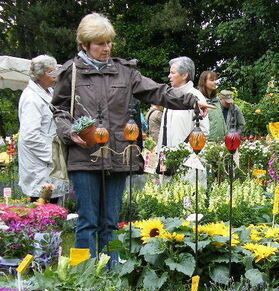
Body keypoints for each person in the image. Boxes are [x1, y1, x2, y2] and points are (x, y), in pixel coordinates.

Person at [52, 13, 213, 261]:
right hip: (84, 155)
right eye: (99, 44)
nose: (106, 48)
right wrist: (69, 132)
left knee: (111, 222)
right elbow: (60, 110)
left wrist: (193, 101)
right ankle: (83, 274)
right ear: (84, 45)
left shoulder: (125, 72)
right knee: (87, 221)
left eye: (109, 43)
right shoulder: (70, 73)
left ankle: (113, 272)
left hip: (118, 155)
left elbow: (158, 92)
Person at [18, 55, 68, 203]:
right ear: (39, 75)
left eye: (55, 71)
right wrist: (53, 157)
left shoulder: (48, 92)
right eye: (50, 72)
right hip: (40, 163)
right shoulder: (31, 98)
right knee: (41, 206)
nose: (55, 75)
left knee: (53, 203)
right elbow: (30, 135)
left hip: (49, 162)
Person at [156, 56, 210, 158]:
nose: (169, 76)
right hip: (166, 160)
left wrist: (183, 153)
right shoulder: (170, 97)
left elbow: (203, 131)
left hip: (186, 162)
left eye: (172, 73)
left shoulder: (196, 97)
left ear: (184, 75)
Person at [198, 70, 226, 141]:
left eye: (215, 80)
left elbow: (222, 120)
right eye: (212, 80)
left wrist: (226, 134)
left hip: (220, 141)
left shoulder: (217, 101)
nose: (215, 82)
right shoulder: (199, 100)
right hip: (207, 142)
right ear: (203, 82)